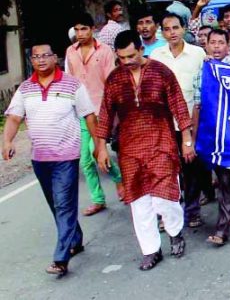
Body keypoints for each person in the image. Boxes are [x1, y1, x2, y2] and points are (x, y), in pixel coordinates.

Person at [96, 30, 195, 270]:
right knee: (139, 201)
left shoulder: (161, 72)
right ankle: (151, 250)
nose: (127, 62)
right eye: (122, 58)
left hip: (161, 142)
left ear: (141, 49)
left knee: (165, 197)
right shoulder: (115, 78)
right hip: (129, 148)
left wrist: (186, 139)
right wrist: (100, 147)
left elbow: (179, 107)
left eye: (131, 56)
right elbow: (106, 114)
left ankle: (174, 232)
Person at [3, 41, 97, 277]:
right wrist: (7, 141)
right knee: (56, 204)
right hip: (39, 158)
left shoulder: (72, 85)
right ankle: (75, 239)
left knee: (64, 203)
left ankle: (61, 258)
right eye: (36, 57)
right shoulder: (25, 88)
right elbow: (14, 118)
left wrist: (98, 145)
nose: (41, 60)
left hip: (66, 156)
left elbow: (88, 115)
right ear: (31, 61)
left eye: (46, 55)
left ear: (55, 58)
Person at [150, 13, 210, 228]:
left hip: (191, 121)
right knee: (167, 170)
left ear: (184, 29)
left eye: (176, 27)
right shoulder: (156, 56)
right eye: (167, 29)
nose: (172, 32)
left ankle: (192, 211)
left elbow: (204, 87)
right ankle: (167, 215)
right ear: (162, 32)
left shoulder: (197, 53)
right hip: (164, 123)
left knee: (191, 168)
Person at [64, 13, 124, 217]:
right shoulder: (70, 52)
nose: (80, 34)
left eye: (84, 29)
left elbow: (110, 80)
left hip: (101, 110)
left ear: (92, 29)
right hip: (81, 111)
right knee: (86, 160)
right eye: (77, 29)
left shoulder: (105, 50)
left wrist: (114, 112)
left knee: (95, 151)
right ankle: (99, 198)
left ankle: (118, 180)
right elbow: (71, 82)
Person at [193, 29, 230, 246]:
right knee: (226, 177)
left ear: (228, 46)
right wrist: (193, 136)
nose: (216, 47)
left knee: (225, 178)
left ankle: (222, 229)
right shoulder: (203, 69)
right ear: (206, 45)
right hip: (211, 130)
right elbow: (198, 103)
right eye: (212, 42)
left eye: (220, 43)